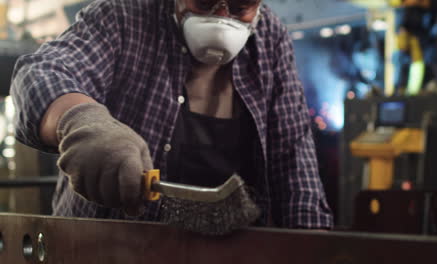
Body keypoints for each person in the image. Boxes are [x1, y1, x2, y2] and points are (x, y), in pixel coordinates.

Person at [10, 0, 333, 229]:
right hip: (108, 247)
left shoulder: (270, 38)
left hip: (232, 251)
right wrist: (80, 121)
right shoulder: (124, 15)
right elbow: (40, 73)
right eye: (205, 1)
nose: (222, 16)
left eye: (239, 7)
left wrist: (309, 241)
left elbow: (293, 156)